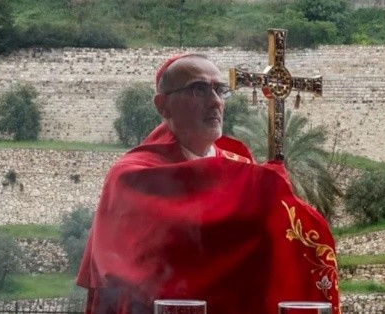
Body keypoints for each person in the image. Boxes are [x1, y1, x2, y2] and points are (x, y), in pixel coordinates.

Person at [76, 54, 340, 314]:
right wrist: (264, 189)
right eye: (198, 90)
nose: (215, 102)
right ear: (163, 106)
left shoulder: (241, 166)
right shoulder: (131, 177)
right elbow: (168, 253)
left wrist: (274, 199)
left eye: (220, 90)